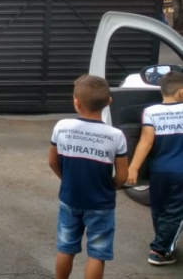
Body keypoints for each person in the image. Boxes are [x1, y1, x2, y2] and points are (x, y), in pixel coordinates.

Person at [49, 75, 128, 279]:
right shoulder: (116, 135)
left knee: (66, 248)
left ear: (76, 102)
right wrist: (111, 186)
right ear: (109, 101)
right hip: (101, 203)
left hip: (70, 198)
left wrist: (65, 179)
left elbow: (52, 162)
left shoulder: (62, 126)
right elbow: (122, 176)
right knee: (97, 253)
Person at [128, 71, 183, 266]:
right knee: (176, 212)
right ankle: (160, 251)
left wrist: (133, 168)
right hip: (181, 173)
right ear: (181, 93)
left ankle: (163, 239)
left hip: (159, 171)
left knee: (159, 208)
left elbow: (146, 141)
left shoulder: (151, 111)